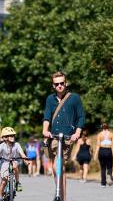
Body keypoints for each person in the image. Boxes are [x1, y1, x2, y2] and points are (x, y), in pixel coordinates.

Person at [42, 71, 85, 201]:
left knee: (58, 166)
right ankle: (59, 194)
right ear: (53, 86)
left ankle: (61, 197)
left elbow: (81, 116)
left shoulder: (74, 98)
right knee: (57, 169)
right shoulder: (50, 99)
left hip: (67, 138)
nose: (60, 86)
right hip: (54, 137)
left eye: (62, 83)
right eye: (57, 84)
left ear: (66, 83)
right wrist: (45, 130)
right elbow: (47, 117)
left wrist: (77, 133)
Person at [0, 127, 30, 201]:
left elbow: (22, 154)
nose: (12, 137)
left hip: (14, 161)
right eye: (10, 135)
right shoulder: (2, 145)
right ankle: (0, 196)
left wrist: (25, 159)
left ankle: (17, 183)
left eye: (13, 135)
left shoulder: (17, 145)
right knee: (3, 181)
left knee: (15, 166)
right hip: (4, 162)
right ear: (5, 137)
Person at [94, 123, 113, 188]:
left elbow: (98, 145)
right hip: (108, 151)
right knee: (110, 167)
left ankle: (103, 183)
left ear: (102, 127)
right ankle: (109, 177)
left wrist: (95, 154)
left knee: (103, 168)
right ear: (108, 127)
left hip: (101, 151)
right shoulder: (111, 134)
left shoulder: (99, 135)